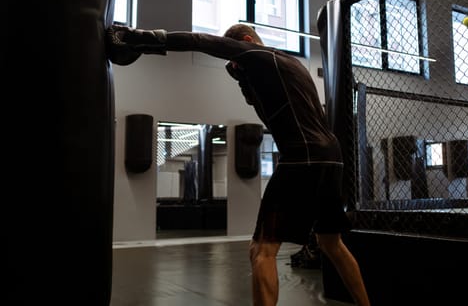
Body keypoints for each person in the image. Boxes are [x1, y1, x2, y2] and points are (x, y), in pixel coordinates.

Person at [107, 23, 371, 306]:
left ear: (246, 42)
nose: (236, 64)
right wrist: (241, 76)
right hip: (333, 158)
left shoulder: (257, 55)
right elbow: (256, 101)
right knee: (331, 243)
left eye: (236, 57)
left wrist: (140, 39)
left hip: (302, 156)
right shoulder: (290, 63)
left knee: (262, 249)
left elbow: (199, 41)